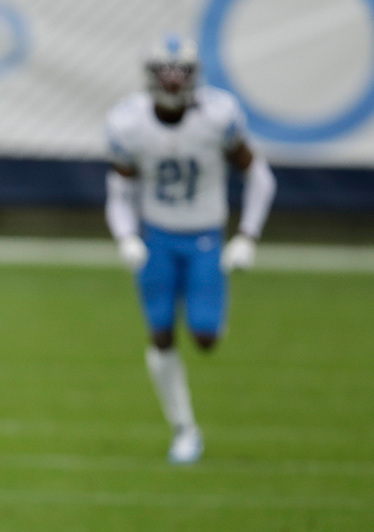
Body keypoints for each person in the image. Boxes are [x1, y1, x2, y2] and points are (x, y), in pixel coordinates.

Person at [105, 35, 275, 464]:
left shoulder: (219, 116)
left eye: (181, 72)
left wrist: (248, 236)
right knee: (160, 332)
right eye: (167, 72)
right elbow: (119, 192)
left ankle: (209, 314)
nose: (174, 81)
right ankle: (184, 428)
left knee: (204, 337)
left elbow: (260, 178)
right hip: (158, 235)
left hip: (203, 236)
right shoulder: (129, 123)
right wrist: (126, 236)